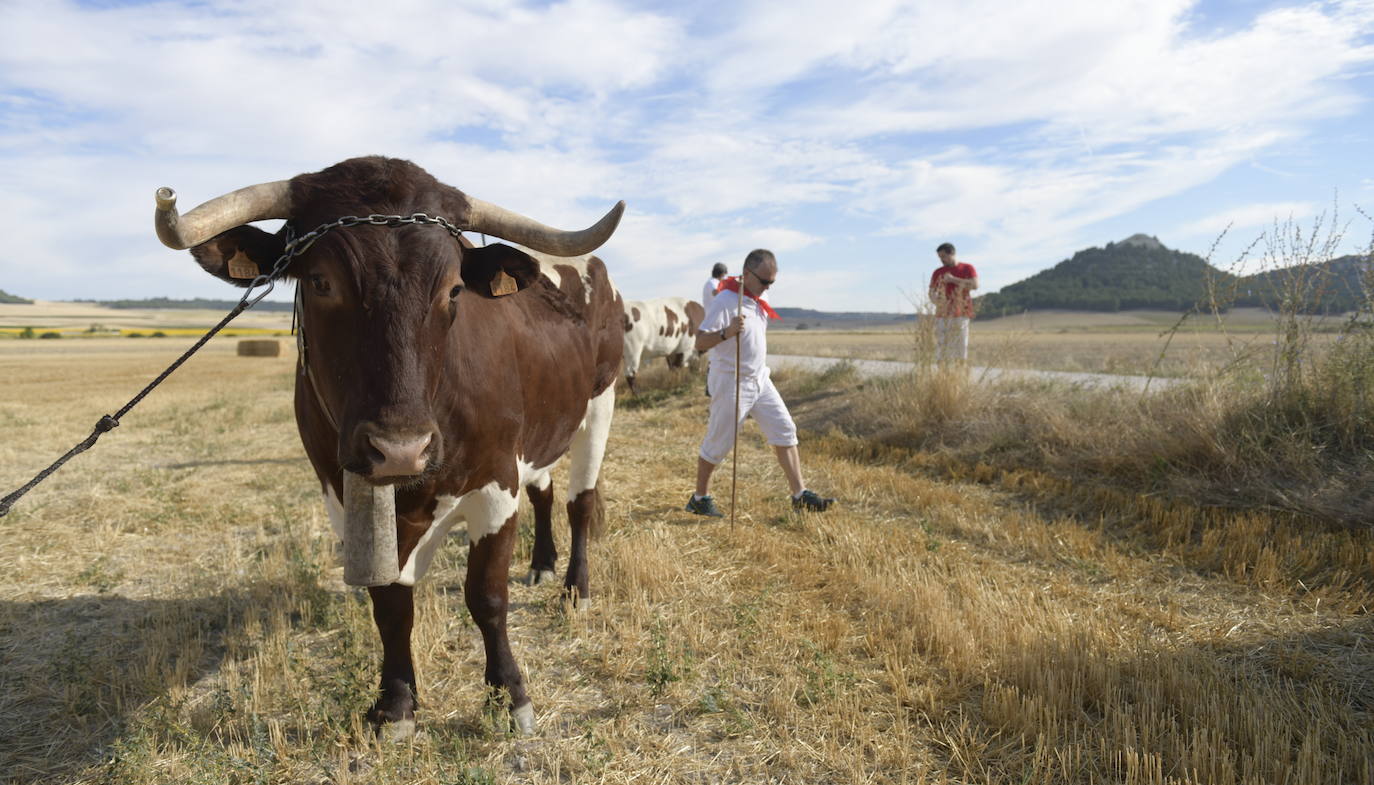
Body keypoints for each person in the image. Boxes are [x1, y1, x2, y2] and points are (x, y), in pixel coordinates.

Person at [685, 249, 835, 517]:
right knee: (719, 441)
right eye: (764, 281)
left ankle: (799, 494)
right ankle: (699, 498)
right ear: (746, 274)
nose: (767, 287)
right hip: (731, 380)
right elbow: (700, 341)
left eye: (771, 282)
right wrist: (726, 332)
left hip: (760, 378)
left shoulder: (761, 296)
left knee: (785, 429)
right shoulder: (726, 300)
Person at [928, 242, 978, 364]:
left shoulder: (967, 268)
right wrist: (937, 302)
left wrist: (953, 279)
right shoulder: (937, 272)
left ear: (952, 254)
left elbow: (974, 285)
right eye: (940, 257)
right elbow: (931, 292)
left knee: (961, 347)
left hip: (961, 312)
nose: (941, 260)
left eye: (944, 257)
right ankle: (942, 376)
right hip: (942, 315)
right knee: (942, 348)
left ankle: (959, 376)